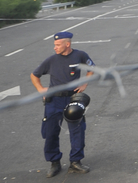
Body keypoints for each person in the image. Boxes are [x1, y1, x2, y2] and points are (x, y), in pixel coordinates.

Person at [29, 32, 94, 177]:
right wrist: (40, 89)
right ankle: (54, 163)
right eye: (54, 45)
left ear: (67, 44)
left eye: (58, 45)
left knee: (77, 131)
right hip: (54, 101)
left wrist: (84, 83)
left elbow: (92, 69)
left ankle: (75, 162)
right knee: (51, 132)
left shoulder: (80, 55)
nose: (55, 47)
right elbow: (34, 75)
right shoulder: (51, 60)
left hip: (73, 99)